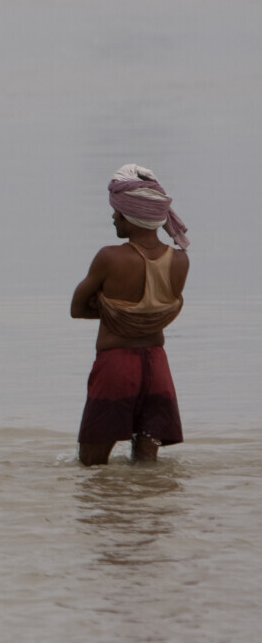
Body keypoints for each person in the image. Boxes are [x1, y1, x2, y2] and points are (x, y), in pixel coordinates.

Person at [69, 164, 191, 466]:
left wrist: (110, 309)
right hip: (157, 366)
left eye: (118, 213)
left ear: (131, 218)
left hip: (116, 366)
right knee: (147, 466)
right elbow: (157, 309)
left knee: (91, 464)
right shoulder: (179, 260)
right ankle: (145, 511)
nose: (113, 217)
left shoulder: (110, 257)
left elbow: (77, 309)